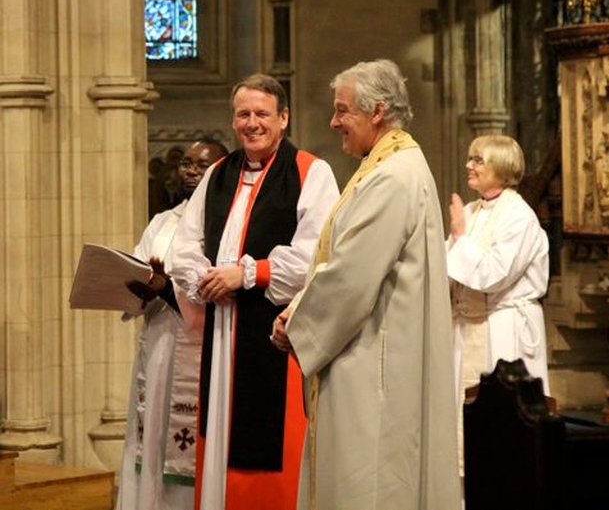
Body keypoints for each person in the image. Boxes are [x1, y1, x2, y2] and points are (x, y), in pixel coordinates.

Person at [271, 59, 462, 510]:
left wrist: (294, 321)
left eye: (342, 111)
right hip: (373, 350)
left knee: (369, 484)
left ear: (376, 111)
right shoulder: (390, 167)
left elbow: (350, 277)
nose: (334, 121)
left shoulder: (391, 177)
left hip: (373, 363)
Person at [169, 74, 340, 510]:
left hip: (273, 338)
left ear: (283, 117)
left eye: (262, 113)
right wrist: (204, 278)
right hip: (221, 332)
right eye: (243, 114)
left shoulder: (310, 172)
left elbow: (317, 255)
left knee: (271, 448)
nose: (252, 123)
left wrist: (249, 275)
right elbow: (184, 247)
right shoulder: (217, 173)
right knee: (220, 440)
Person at [116, 137, 228, 510]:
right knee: (150, 442)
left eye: (202, 164)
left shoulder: (226, 224)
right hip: (157, 344)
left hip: (201, 349)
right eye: (186, 163)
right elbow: (137, 268)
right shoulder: (163, 221)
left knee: (189, 450)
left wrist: (168, 290)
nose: (191, 170)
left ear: (221, 170)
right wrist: (136, 288)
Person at [447, 134, 550, 422]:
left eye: (478, 160)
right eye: (470, 158)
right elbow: (449, 266)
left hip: (504, 329)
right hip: (468, 325)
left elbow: (492, 274)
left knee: (503, 420)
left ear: (502, 167)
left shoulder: (519, 217)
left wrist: (459, 236)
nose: (469, 165)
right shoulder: (471, 211)